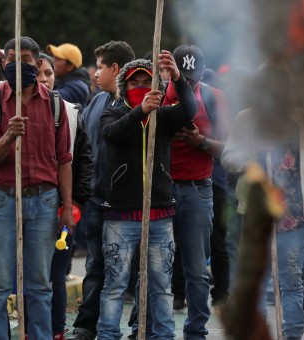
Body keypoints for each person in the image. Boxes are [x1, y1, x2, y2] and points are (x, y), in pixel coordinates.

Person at [221, 56, 304, 340]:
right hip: (257, 219)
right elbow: (229, 157)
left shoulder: (301, 119)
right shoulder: (246, 119)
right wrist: (248, 158)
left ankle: (291, 337)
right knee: (256, 285)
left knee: (292, 286)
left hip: (294, 218)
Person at [0, 36, 74, 339]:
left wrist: (67, 207)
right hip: (1, 199)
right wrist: (8, 136)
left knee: (39, 285)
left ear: (38, 63)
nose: (19, 65)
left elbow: (64, 160)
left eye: (27, 59)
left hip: (43, 202)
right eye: (12, 60)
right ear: (3, 63)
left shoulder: (56, 104)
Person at [95, 54, 196, 340]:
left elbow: (189, 109)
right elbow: (111, 134)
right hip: (120, 215)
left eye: (146, 81)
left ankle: (163, 336)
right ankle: (107, 335)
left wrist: (177, 78)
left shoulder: (164, 117)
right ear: (123, 87)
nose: (140, 85)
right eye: (134, 82)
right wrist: (140, 110)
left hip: (159, 214)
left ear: (156, 86)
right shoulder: (112, 112)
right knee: (115, 285)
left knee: (162, 285)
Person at [66, 40, 135, 340]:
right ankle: (86, 326)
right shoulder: (96, 102)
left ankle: (136, 326)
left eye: (101, 67)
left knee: (130, 271)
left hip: (124, 203)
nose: (95, 73)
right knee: (95, 264)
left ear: (116, 69)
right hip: (95, 201)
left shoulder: (136, 106)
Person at [163, 44, 229, 339]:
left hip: (198, 190)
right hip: (161, 190)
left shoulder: (214, 98)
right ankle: (155, 328)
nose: (187, 82)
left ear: (202, 73)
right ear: (171, 71)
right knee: (155, 267)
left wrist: (200, 142)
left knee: (196, 269)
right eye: (182, 76)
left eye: (192, 77)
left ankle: (196, 331)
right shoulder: (158, 93)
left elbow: (230, 149)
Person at [37, 52, 93, 339]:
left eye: (48, 72)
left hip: (63, 207)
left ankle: (57, 330)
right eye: (38, 73)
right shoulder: (12, 110)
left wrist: (76, 204)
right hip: (28, 204)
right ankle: (32, 331)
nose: (44, 79)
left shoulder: (70, 111)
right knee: (32, 276)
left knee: (56, 274)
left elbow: (83, 160)